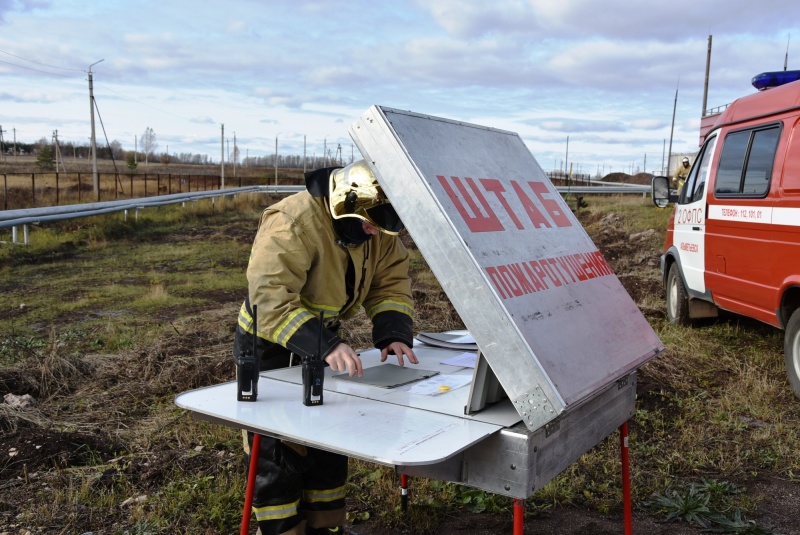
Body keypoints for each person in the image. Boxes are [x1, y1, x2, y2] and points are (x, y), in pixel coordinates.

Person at [233, 159, 417, 535]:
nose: (374, 231)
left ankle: (328, 528)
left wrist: (393, 331)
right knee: (277, 452)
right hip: (270, 346)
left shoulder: (373, 224)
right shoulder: (293, 220)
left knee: (328, 441)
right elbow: (269, 297)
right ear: (344, 204)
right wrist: (325, 345)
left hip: (322, 341)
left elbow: (390, 283)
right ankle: (282, 531)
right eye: (370, 223)